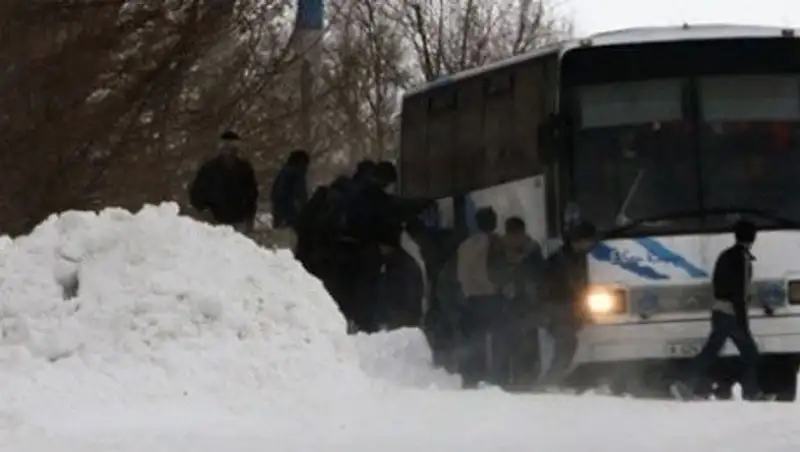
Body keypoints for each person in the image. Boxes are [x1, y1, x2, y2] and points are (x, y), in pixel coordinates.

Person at [670, 220, 773, 401]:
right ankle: (752, 392)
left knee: (711, 352)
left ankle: (684, 384)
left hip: (720, 310)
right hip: (731, 314)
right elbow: (740, 291)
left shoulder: (726, 255)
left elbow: (721, 283)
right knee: (750, 355)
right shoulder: (742, 258)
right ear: (752, 238)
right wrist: (742, 319)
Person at [537, 220, 597, 388]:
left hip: (563, 309)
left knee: (567, 344)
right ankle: (551, 381)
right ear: (581, 241)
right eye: (589, 241)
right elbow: (552, 289)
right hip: (560, 309)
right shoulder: (562, 261)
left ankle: (553, 379)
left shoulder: (569, 257)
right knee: (566, 344)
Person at [455, 206, 509, 388]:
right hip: (492, 297)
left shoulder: (465, 245)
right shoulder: (497, 242)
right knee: (498, 340)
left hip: (471, 299)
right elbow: (502, 269)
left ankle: (473, 376)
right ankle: (497, 378)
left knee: (475, 340)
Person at [188, 130, 259, 232]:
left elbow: (252, 195)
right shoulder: (209, 168)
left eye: (232, 147)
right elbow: (197, 193)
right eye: (226, 147)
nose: (229, 151)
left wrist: (249, 217)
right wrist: (205, 212)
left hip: (238, 220)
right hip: (215, 222)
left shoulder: (245, 168)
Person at [270, 149, 310, 230]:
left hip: (281, 214)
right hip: (291, 216)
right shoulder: (296, 173)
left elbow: (275, 194)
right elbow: (300, 195)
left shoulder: (284, 172)